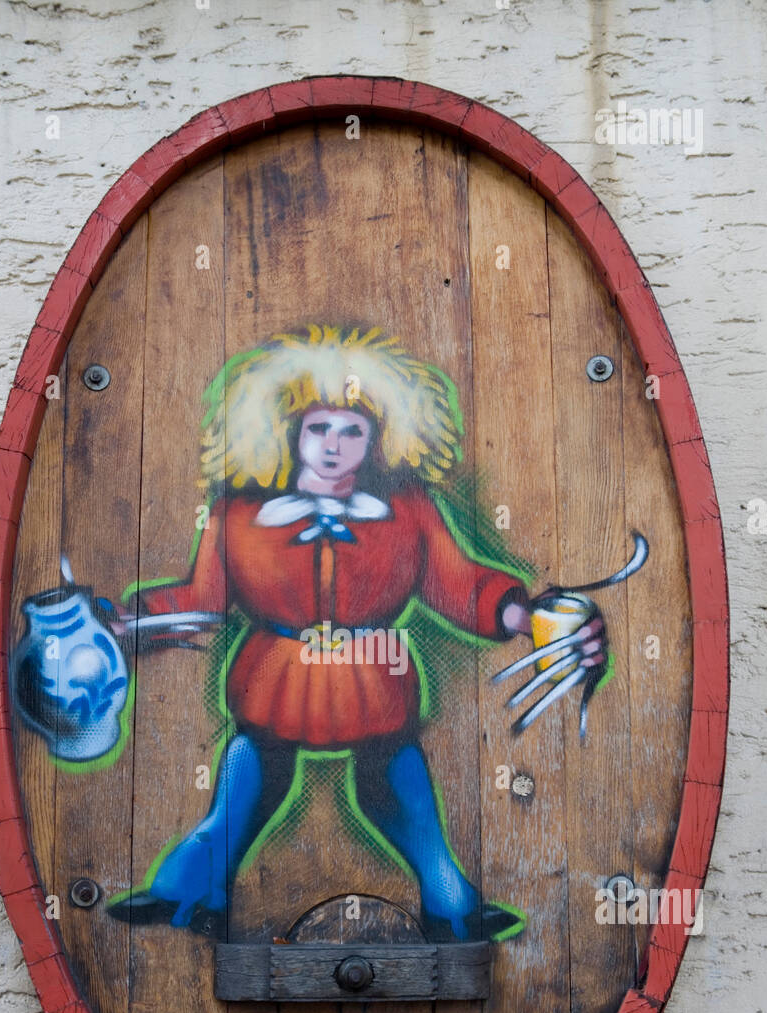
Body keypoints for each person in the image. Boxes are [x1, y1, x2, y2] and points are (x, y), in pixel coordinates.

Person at [107, 325, 605, 942]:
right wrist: (128, 623)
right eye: (319, 427)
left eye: (352, 430)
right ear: (289, 429)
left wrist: (528, 618)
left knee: (402, 796)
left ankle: (449, 903)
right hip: (274, 679)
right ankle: (189, 890)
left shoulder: (409, 510)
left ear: (380, 438)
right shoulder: (239, 512)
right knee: (242, 790)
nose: (333, 446)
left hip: (373, 678)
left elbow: (460, 585)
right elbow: (199, 598)